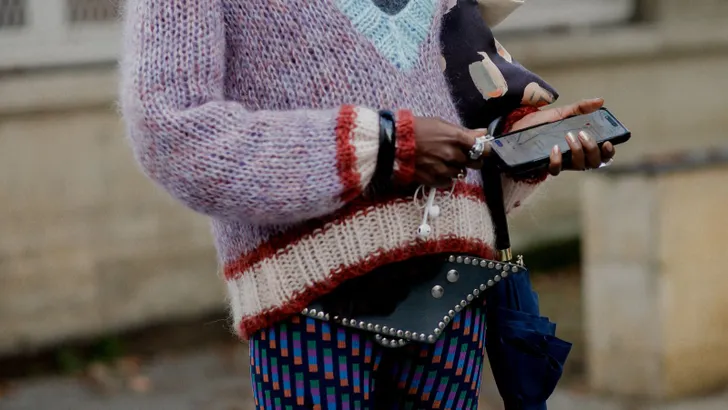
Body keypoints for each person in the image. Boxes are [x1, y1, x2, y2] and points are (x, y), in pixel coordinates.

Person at [120, 0, 615, 408]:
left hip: (454, 299)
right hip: (313, 307)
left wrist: (520, 146)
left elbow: (464, 103)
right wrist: (380, 145)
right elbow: (170, 130)